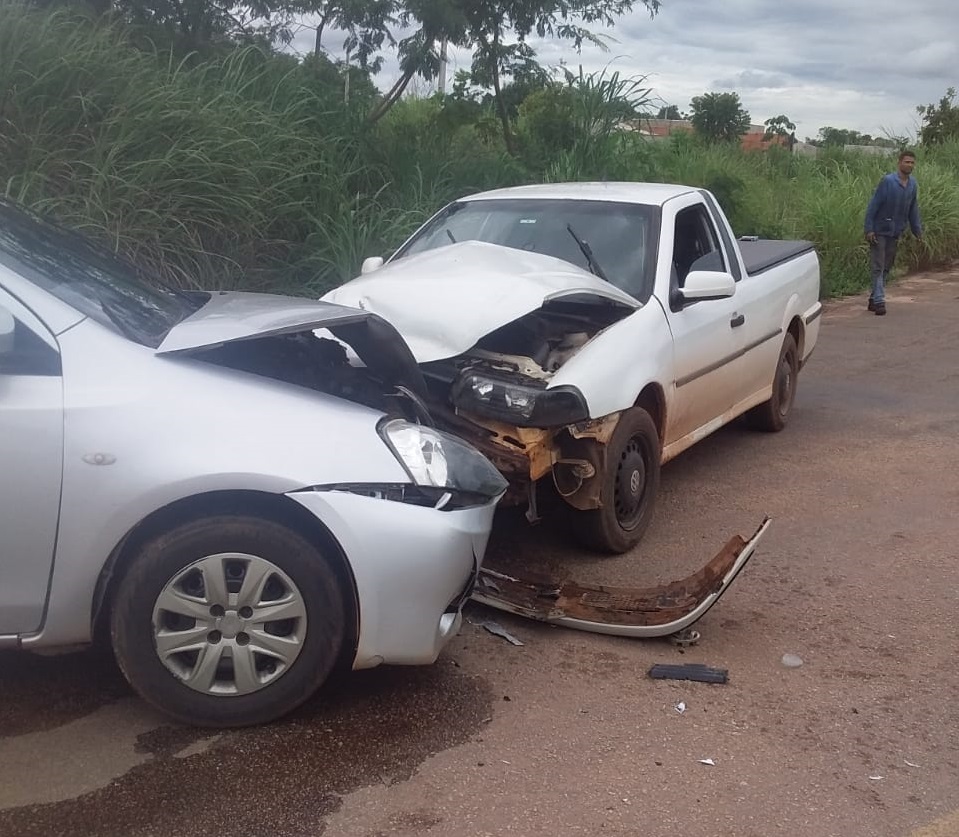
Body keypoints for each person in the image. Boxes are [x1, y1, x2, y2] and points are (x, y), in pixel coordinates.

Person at [863, 150, 923, 316]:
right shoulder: (888, 181)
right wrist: (869, 229)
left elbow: (913, 209)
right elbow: (873, 205)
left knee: (886, 267)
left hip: (895, 232)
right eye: (907, 162)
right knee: (878, 266)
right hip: (879, 230)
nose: (909, 165)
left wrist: (917, 231)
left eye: (912, 163)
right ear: (899, 163)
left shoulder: (912, 185)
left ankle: (873, 299)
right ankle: (880, 301)